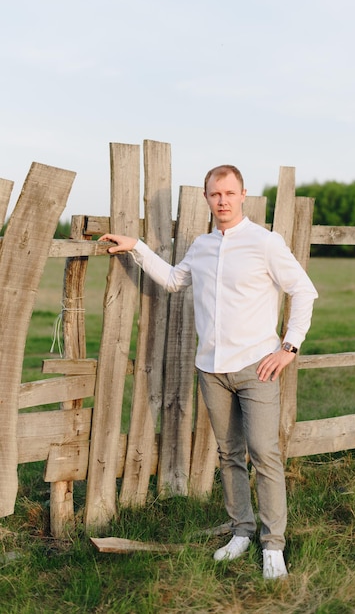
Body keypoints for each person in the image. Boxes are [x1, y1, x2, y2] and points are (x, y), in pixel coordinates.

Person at [99, 164, 318, 580]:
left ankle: (273, 545)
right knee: (229, 454)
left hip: (258, 367)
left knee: (264, 454)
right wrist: (137, 247)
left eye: (230, 193)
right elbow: (174, 280)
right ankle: (242, 531)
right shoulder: (201, 245)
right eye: (215, 194)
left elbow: (303, 290)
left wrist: (289, 346)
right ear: (207, 198)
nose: (223, 201)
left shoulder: (265, 242)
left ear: (242, 195)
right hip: (211, 369)